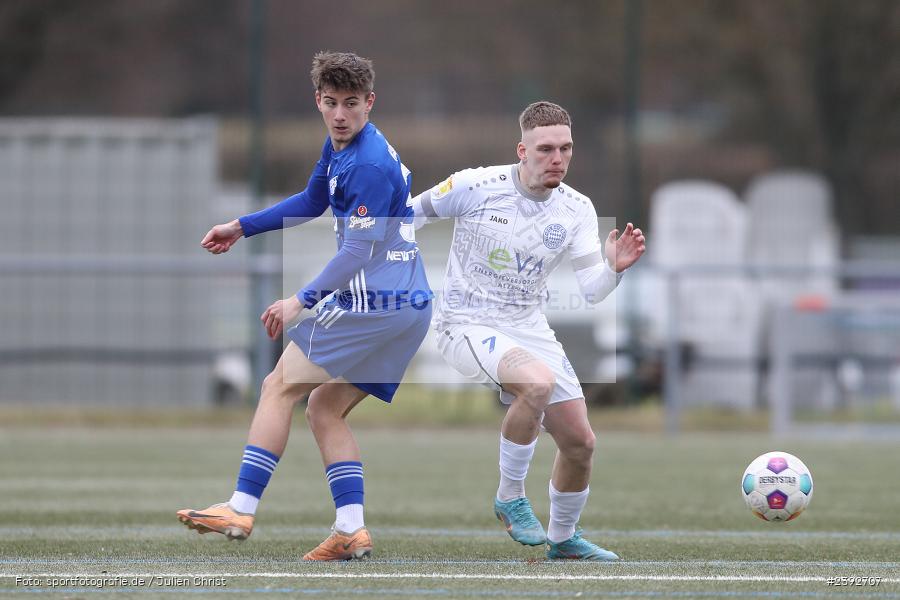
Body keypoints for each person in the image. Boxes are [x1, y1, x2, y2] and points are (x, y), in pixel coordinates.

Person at [177, 51, 432, 561]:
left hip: (375, 302)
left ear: (370, 103)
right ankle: (350, 529)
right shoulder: (343, 146)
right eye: (332, 103)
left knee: (278, 386)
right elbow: (312, 201)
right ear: (318, 100)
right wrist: (242, 226)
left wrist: (300, 301)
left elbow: (357, 252)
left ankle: (240, 507)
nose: (341, 114)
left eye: (352, 104)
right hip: (408, 305)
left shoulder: (367, 164)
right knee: (324, 407)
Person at [409, 101, 645, 561]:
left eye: (566, 148)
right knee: (537, 384)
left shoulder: (577, 209)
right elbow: (404, 219)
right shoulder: (474, 185)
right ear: (522, 150)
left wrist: (614, 269)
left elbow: (592, 291)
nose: (557, 158)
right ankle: (510, 497)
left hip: (528, 326)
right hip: (466, 323)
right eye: (545, 149)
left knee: (581, 442)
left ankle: (563, 539)